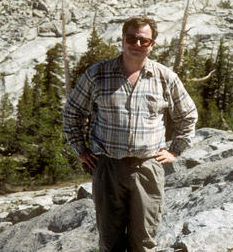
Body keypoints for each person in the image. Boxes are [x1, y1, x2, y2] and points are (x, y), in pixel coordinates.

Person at [63, 15, 198, 252]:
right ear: (123, 39)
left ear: (152, 44)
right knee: (109, 240)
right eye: (132, 38)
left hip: (147, 167)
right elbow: (73, 111)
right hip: (107, 167)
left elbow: (188, 116)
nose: (136, 45)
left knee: (144, 241)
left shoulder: (165, 77)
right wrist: (81, 149)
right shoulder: (98, 74)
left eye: (143, 41)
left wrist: (175, 150)